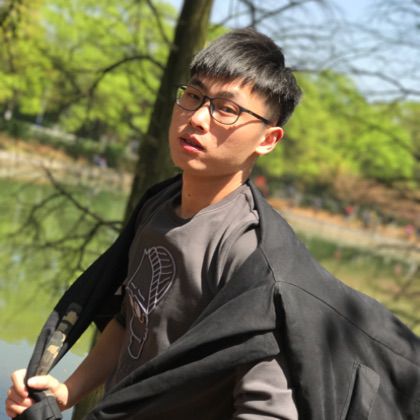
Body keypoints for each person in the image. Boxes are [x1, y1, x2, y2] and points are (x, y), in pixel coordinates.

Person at [5, 28, 420, 420]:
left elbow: (266, 406)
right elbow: (132, 319)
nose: (198, 118)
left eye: (227, 109)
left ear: (268, 139)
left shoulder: (249, 259)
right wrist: (67, 392)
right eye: (194, 95)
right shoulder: (158, 206)